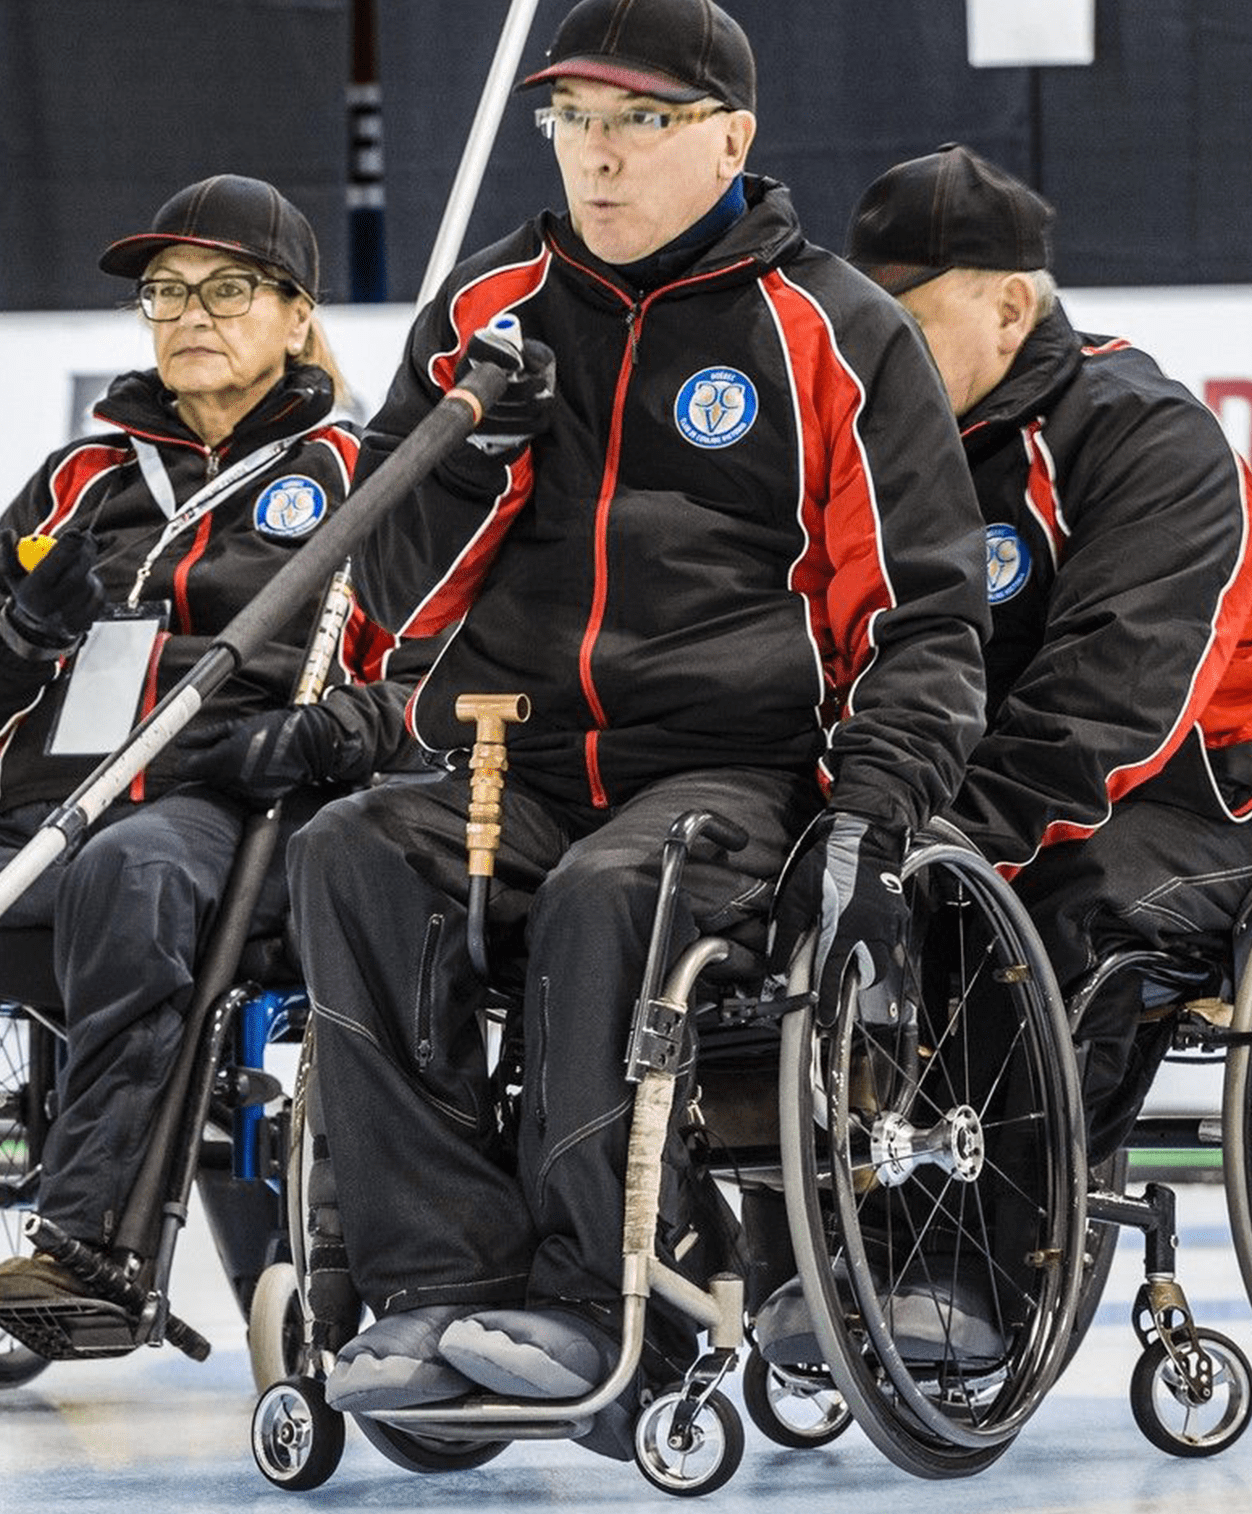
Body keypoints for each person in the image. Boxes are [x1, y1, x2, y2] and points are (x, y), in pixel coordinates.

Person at [281, 0, 989, 1442]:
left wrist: (872, 811)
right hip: (516, 756)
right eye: (575, 121)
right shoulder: (488, 315)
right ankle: (436, 1284)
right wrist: (475, 458)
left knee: (619, 889)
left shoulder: (836, 333)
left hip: (733, 770)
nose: (597, 159)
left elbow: (926, 618)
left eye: (640, 124)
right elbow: (393, 595)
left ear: (731, 139)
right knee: (351, 849)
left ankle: (609, 1293)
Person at [0, 174, 420, 1324]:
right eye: (165, 291)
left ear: (296, 315)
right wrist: (26, 626)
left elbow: (431, 681)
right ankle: (142, 1138)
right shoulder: (77, 481)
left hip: (233, 818)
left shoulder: (354, 475)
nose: (190, 313)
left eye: (228, 289)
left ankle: (93, 1243)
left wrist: (325, 730)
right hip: (52, 817)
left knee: (129, 876)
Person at [840, 144, 1252, 1161]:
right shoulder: (868, 445)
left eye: (903, 322)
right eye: (862, 321)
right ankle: (806, 1257)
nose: (872, 352)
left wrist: (935, 844)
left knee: (1052, 901)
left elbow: (1113, 695)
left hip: (1227, 788)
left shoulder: (1145, 437)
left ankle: (983, 1278)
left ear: (1007, 308)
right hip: (1004, 786)